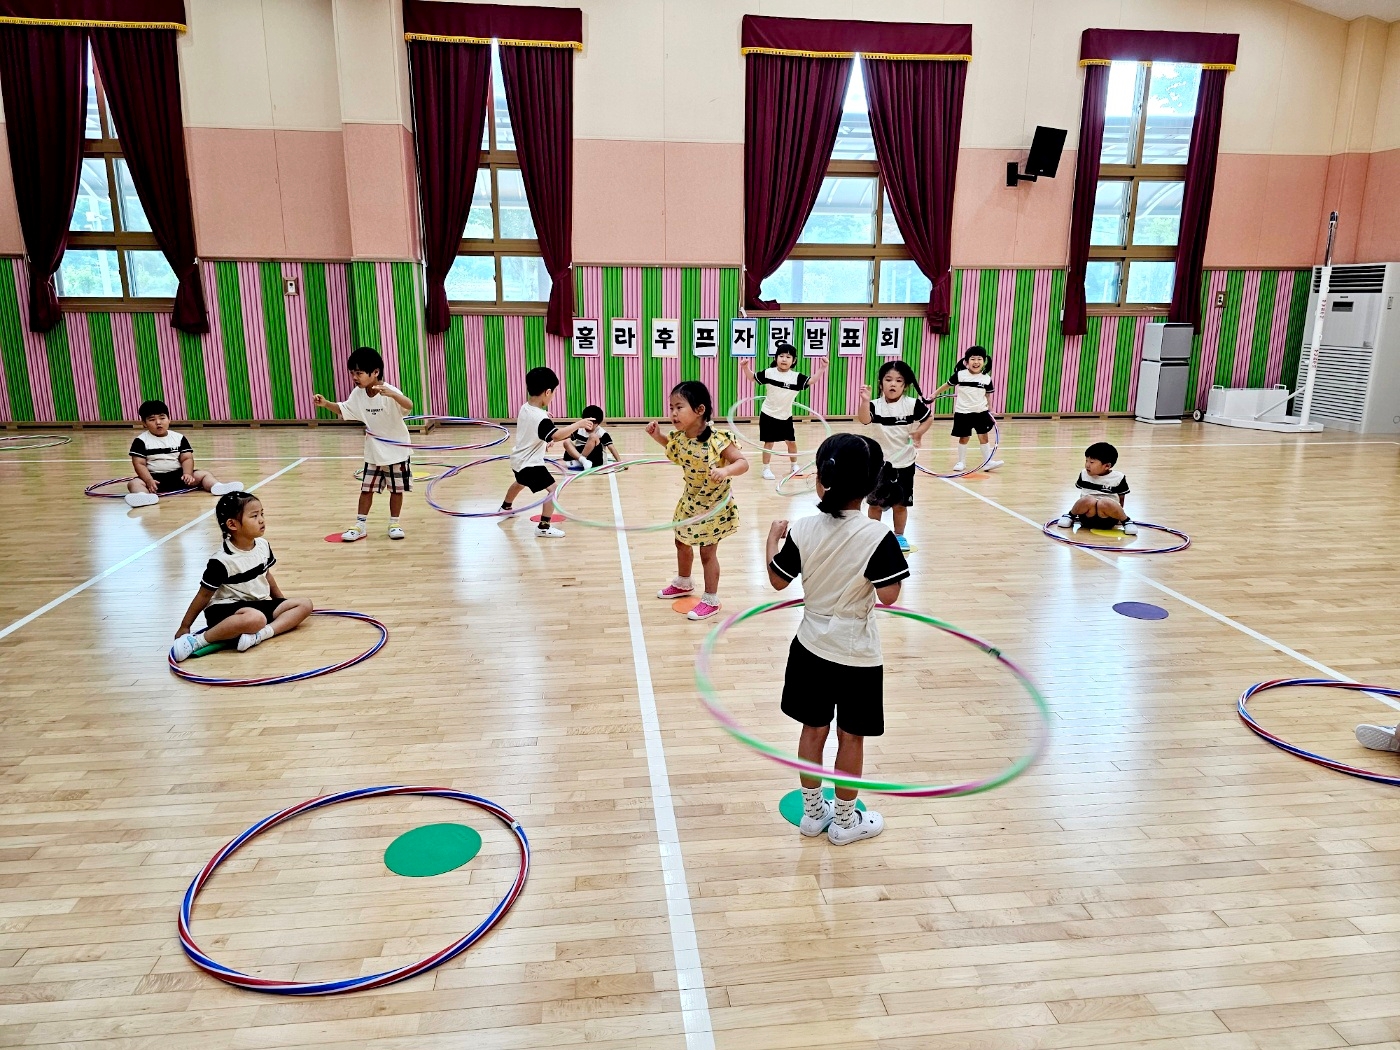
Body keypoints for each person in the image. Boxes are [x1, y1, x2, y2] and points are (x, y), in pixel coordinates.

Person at [766, 433, 909, 845]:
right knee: (851, 736)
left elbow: (778, 581)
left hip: (809, 648)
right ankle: (845, 822)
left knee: (813, 730)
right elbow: (890, 595)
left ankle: (813, 816)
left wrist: (772, 539)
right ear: (872, 483)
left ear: (821, 479)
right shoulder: (876, 536)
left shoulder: (803, 529)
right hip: (856, 654)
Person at [170, 491, 314, 662]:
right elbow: (203, 595)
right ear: (232, 524)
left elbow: (267, 576)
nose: (261, 520)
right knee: (255, 618)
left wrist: (282, 605)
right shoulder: (221, 561)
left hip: (257, 606)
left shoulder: (263, 545)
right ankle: (197, 641)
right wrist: (185, 626)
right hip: (225, 610)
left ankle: (259, 635)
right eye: (254, 516)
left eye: (262, 514)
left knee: (305, 604)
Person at [648, 380, 748, 620]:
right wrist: (658, 436)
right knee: (681, 542)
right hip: (690, 500)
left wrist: (725, 470)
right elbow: (676, 450)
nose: (673, 413)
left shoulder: (718, 440)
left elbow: (742, 463)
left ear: (700, 410)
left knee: (707, 552)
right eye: (671, 408)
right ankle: (683, 582)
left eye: (679, 407)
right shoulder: (681, 437)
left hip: (713, 505)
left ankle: (711, 599)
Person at [312, 347, 414, 542]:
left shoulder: (389, 392)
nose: (354, 377)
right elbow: (345, 410)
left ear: (375, 372)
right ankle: (360, 525)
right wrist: (326, 404)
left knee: (396, 490)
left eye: (359, 373)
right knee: (366, 489)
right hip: (374, 450)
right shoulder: (358, 394)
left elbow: (409, 405)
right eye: (352, 373)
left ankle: (394, 524)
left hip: (397, 450)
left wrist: (393, 395)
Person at [498, 367, 595, 537]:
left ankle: (505, 507)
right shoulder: (541, 418)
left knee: (520, 482)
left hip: (518, 460)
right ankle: (543, 527)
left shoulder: (525, 408)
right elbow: (556, 436)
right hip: (530, 464)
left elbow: (535, 430)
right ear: (548, 392)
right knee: (553, 490)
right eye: (554, 392)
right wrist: (578, 424)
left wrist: (545, 435)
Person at [856, 360, 932, 553]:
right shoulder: (874, 405)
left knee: (900, 504)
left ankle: (899, 536)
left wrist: (919, 433)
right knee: (875, 505)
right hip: (878, 465)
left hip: (904, 463)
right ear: (881, 383)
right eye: (888, 379)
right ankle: (874, 535)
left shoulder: (912, 404)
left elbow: (928, 418)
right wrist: (864, 401)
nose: (893, 384)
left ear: (905, 386)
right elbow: (864, 419)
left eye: (898, 381)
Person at [125, 399, 242, 508]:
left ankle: (217, 486)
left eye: (162, 418)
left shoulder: (179, 438)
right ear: (144, 423)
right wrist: (148, 480)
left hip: (179, 476)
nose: (158, 422)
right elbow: (139, 464)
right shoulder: (140, 441)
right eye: (152, 420)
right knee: (134, 483)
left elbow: (186, 458)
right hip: (154, 479)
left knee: (204, 474)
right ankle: (143, 496)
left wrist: (188, 474)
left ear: (169, 419)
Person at [741, 342, 825, 481]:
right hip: (768, 413)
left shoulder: (797, 377)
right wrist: (745, 367)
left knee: (791, 442)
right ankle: (766, 468)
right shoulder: (769, 372)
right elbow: (751, 378)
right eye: (781, 356)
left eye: (788, 357)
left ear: (794, 360)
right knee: (769, 443)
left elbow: (813, 380)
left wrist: (823, 367)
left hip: (785, 415)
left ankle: (794, 466)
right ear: (776, 358)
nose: (784, 359)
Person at [927, 345, 1003, 472]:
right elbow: (946, 385)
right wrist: (934, 394)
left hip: (981, 412)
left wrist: (990, 409)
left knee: (984, 437)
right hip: (963, 412)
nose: (976, 362)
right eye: (973, 359)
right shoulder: (960, 375)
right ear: (966, 361)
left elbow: (987, 395)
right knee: (964, 438)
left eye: (979, 359)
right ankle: (961, 462)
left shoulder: (986, 379)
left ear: (984, 361)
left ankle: (987, 462)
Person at [1056, 440, 1137, 535]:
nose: (1087, 465)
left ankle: (1126, 521)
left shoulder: (1118, 478)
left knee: (1104, 502)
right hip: (1087, 517)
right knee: (1089, 500)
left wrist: (1119, 515)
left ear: (1107, 466)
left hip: (1108, 518)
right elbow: (1082, 498)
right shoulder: (1084, 474)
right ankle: (1070, 516)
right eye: (1086, 460)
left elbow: (1121, 499)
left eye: (1092, 462)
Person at [562, 405, 617, 471]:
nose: (589, 425)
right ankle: (582, 461)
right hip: (580, 456)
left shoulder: (602, 433)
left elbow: (611, 448)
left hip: (595, 459)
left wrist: (620, 462)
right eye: (588, 422)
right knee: (566, 442)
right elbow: (564, 436)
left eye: (593, 423)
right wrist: (553, 440)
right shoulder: (579, 430)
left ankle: (581, 462)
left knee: (593, 436)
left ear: (598, 423)